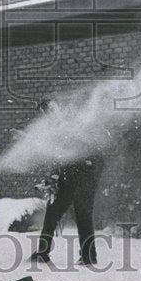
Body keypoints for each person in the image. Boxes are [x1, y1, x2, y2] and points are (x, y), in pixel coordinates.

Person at [30, 99, 106, 267]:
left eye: (50, 111)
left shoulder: (75, 123)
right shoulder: (53, 130)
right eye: (44, 114)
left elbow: (93, 153)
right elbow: (58, 158)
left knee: (83, 214)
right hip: (67, 178)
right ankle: (43, 253)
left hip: (85, 176)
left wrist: (89, 171)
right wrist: (52, 178)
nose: (48, 116)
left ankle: (88, 256)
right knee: (52, 213)